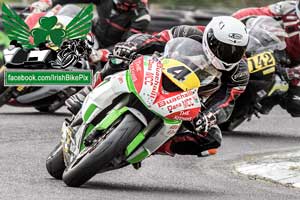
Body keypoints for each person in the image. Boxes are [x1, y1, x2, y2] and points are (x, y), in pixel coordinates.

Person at [67, 16, 250, 156]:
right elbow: (153, 39)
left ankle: (154, 145)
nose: (230, 55)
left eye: (237, 50)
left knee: (212, 139)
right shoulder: (189, 32)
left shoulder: (240, 71)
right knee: (118, 60)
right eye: (224, 48)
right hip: (158, 70)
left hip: (191, 100)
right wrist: (130, 47)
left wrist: (209, 116)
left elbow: (226, 100)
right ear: (210, 39)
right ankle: (87, 92)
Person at [232, 0, 300, 117]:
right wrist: (231, 22)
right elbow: (254, 13)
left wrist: (294, 74)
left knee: (296, 105)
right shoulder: (288, 8)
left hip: (292, 68)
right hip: (268, 48)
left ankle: (272, 97)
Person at [30, 0, 151, 61]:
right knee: (70, 9)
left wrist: (103, 53)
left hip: (104, 49)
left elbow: (128, 44)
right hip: (91, 31)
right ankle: (41, 42)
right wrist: (48, 2)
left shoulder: (141, 17)